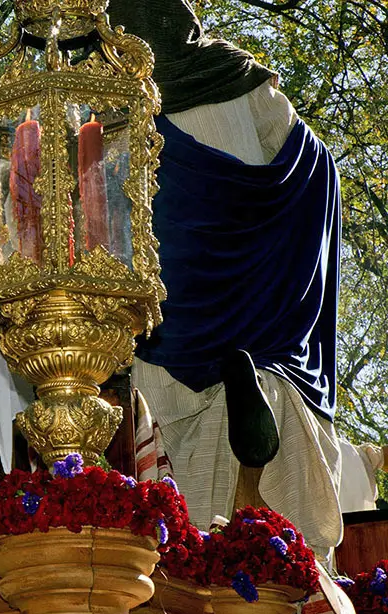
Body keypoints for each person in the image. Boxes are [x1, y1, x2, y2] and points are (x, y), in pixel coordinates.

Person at [108, 0, 356, 554]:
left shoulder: (112, 99)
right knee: (284, 431)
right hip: (268, 312)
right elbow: (313, 160)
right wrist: (274, 243)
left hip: (178, 311)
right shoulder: (236, 73)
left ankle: (196, 544)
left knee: (176, 457)